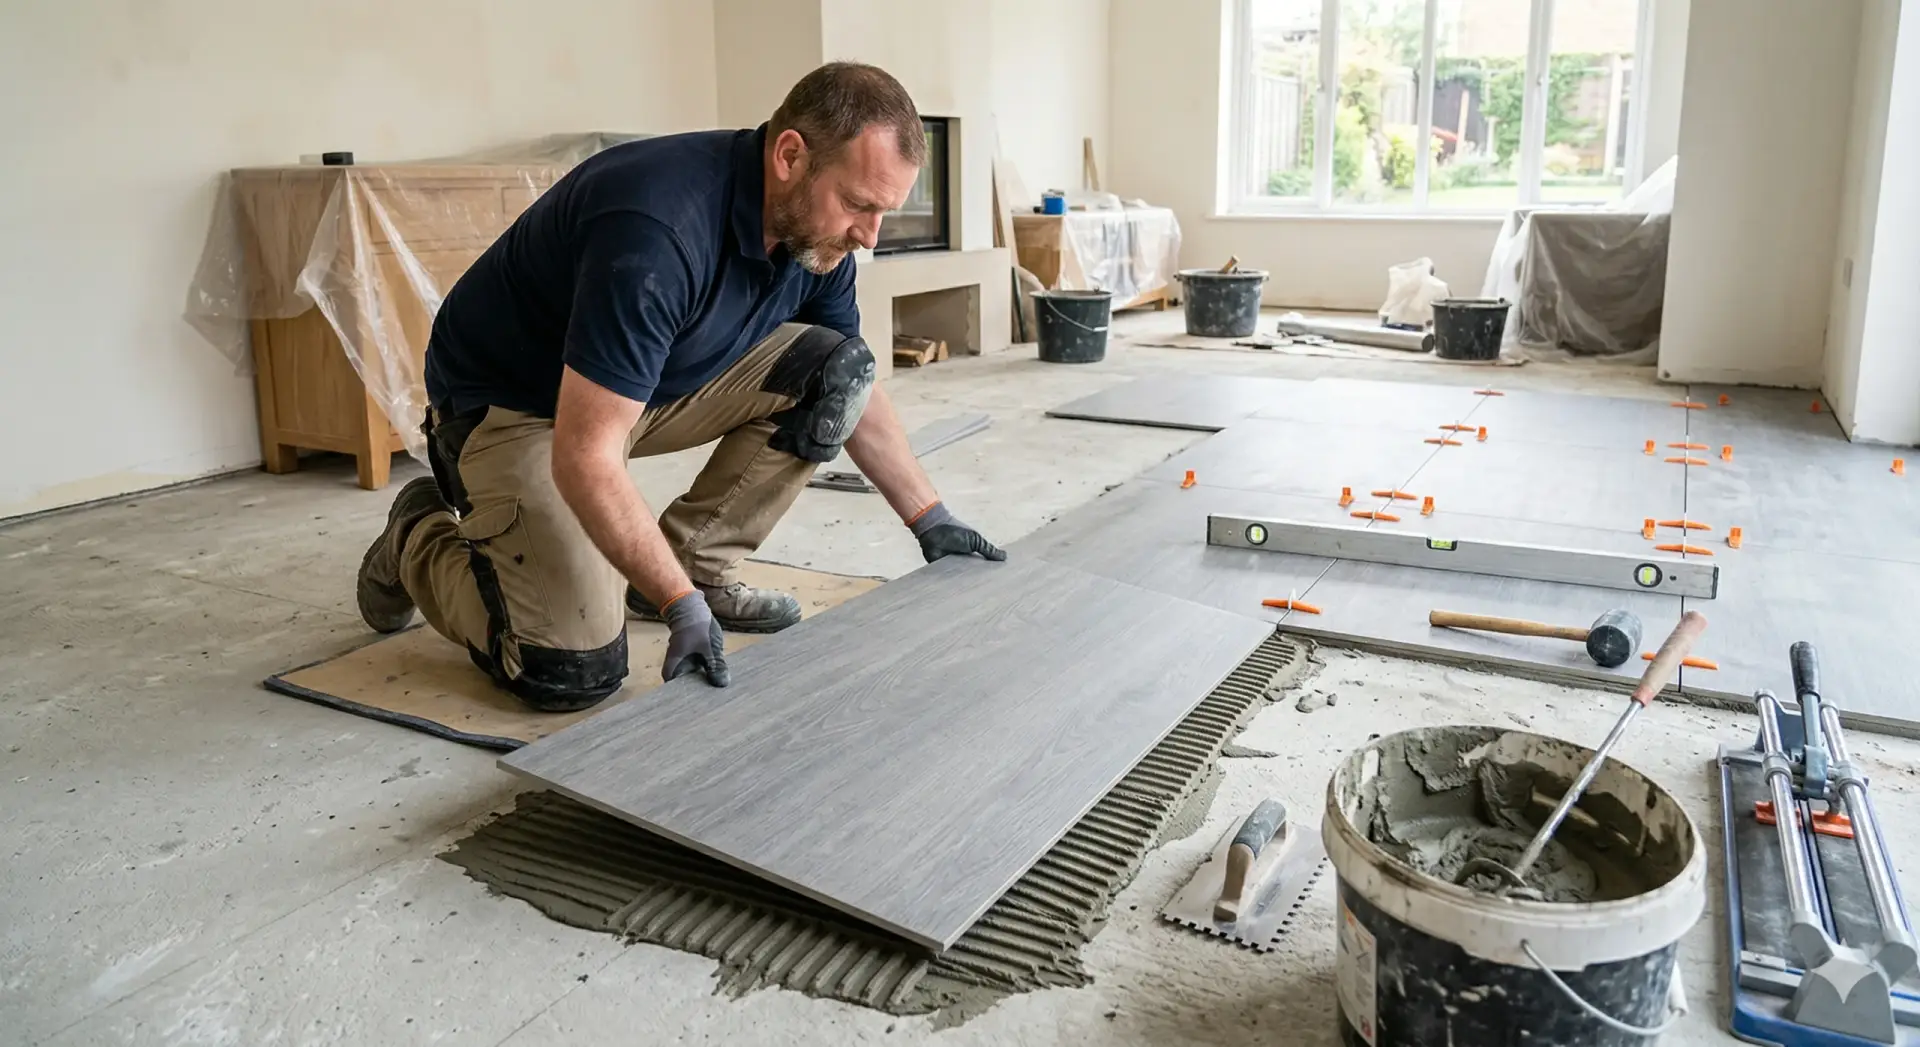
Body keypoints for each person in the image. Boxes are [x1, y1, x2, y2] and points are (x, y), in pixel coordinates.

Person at [353, 62, 1005, 713]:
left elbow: (852, 379)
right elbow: (585, 453)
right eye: (860, 205)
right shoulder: (658, 230)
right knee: (569, 667)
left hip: (636, 390)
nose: (870, 235)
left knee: (835, 370)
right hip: (515, 408)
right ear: (789, 156)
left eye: (885, 211)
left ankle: (695, 562)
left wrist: (931, 519)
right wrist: (679, 610)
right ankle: (417, 533)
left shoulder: (818, 239)